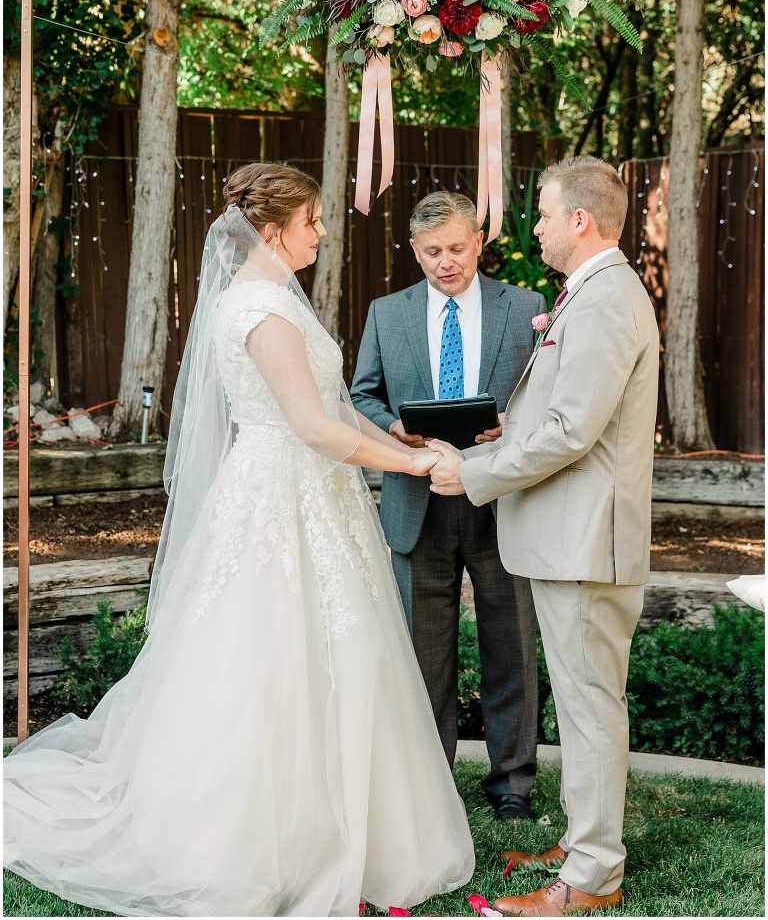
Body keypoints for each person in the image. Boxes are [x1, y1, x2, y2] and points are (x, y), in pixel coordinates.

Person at [4, 163, 475, 917]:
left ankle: (353, 824)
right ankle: (258, 839)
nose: (322, 232)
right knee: (266, 661)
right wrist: (415, 464)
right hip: (277, 500)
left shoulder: (277, 300)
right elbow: (312, 426)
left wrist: (401, 440)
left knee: (341, 656)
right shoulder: (259, 310)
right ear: (270, 230)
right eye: (313, 221)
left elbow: (335, 408)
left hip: (317, 498)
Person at [429, 157, 659, 917]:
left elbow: (572, 433)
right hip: (572, 538)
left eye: (546, 215)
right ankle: (582, 841)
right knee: (585, 702)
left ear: (581, 222)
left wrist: (477, 470)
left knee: (591, 709)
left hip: (587, 541)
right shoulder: (593, 293)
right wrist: (508, 431)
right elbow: (561, 413)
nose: (537, 227)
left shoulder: (603, 300)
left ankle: (591, 877)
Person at [351, 191, 544, 820]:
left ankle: (512, 782)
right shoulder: (387, 313)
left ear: (478, 242)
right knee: (423, 655)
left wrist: (510, 424)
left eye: (457, 248)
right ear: (414, 250)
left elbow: (546, 400)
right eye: (432, 252)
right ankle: (429, 781)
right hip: (418, 501)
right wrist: (397, 434)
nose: (446, 263)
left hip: (502, 501)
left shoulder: (527, 308)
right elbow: (363, 396)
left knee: (510, 646)